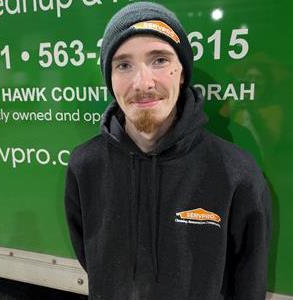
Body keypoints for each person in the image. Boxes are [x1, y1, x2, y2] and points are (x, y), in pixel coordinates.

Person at [64, 2, 272, 299]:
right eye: (124, 64)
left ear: (182, 72)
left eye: (159, 60)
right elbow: (90, 257)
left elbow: (249, 282)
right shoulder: (84, 166)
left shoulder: (235, 174)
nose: (142, 82)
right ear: (110, 79)